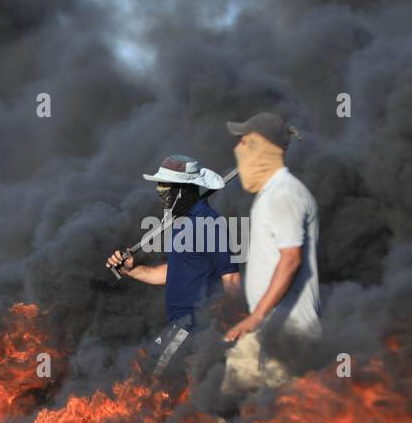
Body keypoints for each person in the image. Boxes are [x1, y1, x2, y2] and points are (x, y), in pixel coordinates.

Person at [221, 112, 321, 394]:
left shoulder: (284, 194)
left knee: (278, 410)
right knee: (228, 398)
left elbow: (291, 259)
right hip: (267, 328)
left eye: (244, 142)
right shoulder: (269, 194)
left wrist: (256, 316)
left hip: (289, 332)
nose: (237, 149)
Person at [107, 154, 241, 329]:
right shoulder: (182, 221)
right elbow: (175, 274)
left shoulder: (207, 222)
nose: (159, 189)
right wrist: (131, 270)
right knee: (151, 357)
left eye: (164, 184)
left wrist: (237, 324)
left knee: (159, 358)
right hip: (178, 325)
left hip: (194, 326)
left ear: (182, 189)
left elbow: (231, 278)